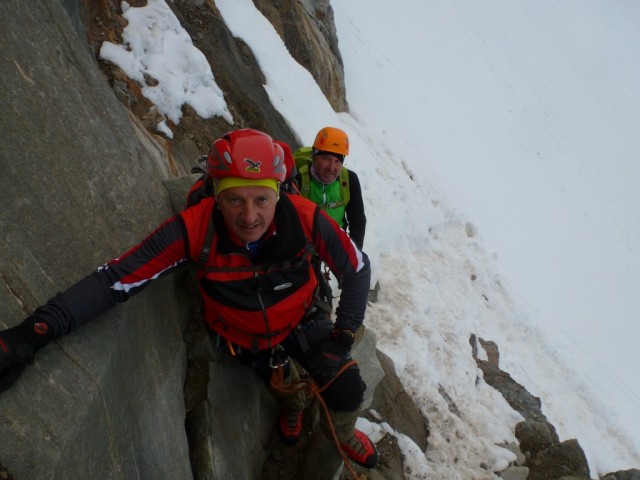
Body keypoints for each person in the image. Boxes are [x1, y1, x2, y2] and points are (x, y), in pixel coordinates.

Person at [0, 129, 378, 469]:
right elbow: (114, 281)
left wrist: (343, 335)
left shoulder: (303, 216)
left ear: (278, 193)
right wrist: (32, 333)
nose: (250, 217)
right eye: (234, 200)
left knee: (347, 389)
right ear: (216, 195)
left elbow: (357, 269)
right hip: (246, 337)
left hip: (300, 318)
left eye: (262, 199)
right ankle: (292, 405)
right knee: (278, 377)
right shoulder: (194, 230)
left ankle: (342, 436)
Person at [295, 127, 366, 250]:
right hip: (302, 253)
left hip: (335, 251)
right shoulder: (298, 179)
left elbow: (358, 221)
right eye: (326, 158)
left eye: (337, 161)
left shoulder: (349, 180)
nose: (331, 167)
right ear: (314, 156)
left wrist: (354, 255)